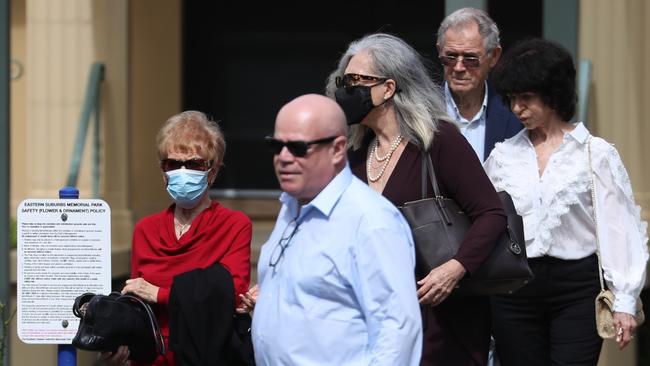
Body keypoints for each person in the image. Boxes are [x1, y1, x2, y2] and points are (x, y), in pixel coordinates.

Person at [325, 33, 507, 366]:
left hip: (440, 320)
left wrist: (455, 269)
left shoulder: (439, 141)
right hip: (373, 316)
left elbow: (492, 213)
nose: (345, 91)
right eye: (343, 81)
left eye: (356, 82)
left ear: (389, 88)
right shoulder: (353, 153)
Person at [484, 38, 649, 365]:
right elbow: (487, 220)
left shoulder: (595, 153)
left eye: (527, 98)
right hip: (514, 291)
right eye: (513, 99)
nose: (518, 108)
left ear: (553, 94)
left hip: (576, 289)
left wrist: (625, 301)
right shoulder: (503, 156)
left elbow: (620, 228)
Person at [251, 94, 422, 365]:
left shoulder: (371, 221)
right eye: (276, 146)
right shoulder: (291, 206)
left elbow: (397, 333)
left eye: (297, 147)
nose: (283, 158)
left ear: (338, 149)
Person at [102, 111, 253, 365]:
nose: (183, 172)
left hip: (206, 357)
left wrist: (159, 293)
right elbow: (136, 305)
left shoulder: (234, 225)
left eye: (194, 164)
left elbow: (230, 295)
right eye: (173, 164)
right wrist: (119, 346)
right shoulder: (145, 229)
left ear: (212, 172)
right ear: (164, 172)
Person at [436, 7, 522, 162]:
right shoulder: (420, 111)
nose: (458, 67)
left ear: (494, 56)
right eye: (450, 57)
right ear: (439, 51)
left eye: (470, 58)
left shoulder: (515, 114)